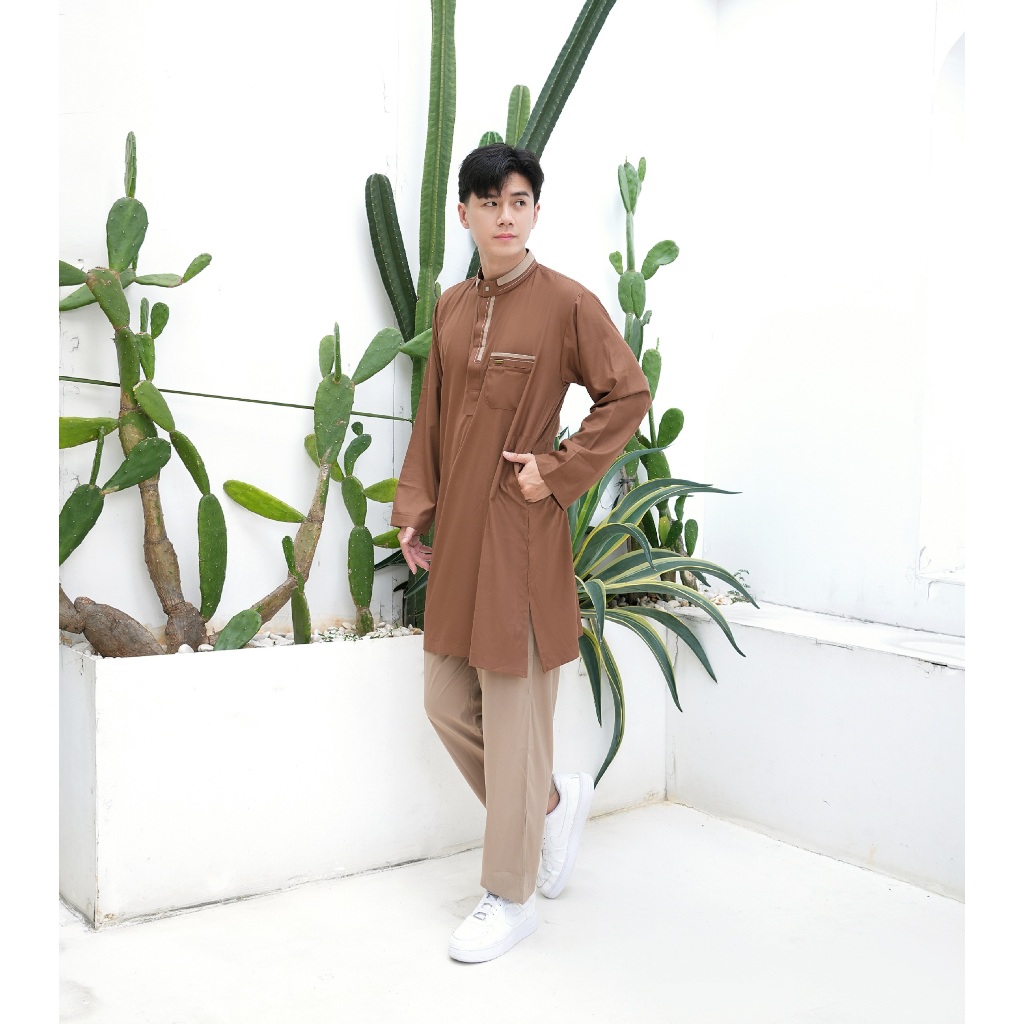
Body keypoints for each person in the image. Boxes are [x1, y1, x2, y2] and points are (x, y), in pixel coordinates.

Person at [391, 143, 651, 963]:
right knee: (445, 702)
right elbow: (433, 415)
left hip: (519, 535)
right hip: (459, 540)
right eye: (488, 202)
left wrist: (559, 471)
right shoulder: (449, 307)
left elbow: (628, 393)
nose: (505, 217)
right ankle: (548, 804)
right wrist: (414, 508)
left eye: (518, 201)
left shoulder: (566, 303)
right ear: (464, 213)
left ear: (535, 211)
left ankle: (510, 896)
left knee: (513, 716)